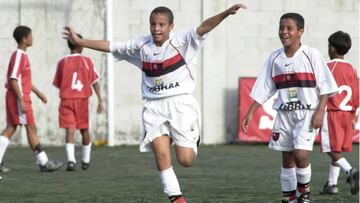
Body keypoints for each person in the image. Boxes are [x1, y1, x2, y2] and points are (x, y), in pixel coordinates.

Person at [63, 4, 246, 203]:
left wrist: (226, 13)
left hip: (181, 105)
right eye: (153, 24)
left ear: (170, 26)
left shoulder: (183, 41)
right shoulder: (141, 45)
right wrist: (80, 41)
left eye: (161, 24)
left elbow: (204, 27)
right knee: (160, 153)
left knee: (185, 160)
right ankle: (176, 197)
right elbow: (110, 46)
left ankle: (192, 138)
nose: (156, 28)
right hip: (154, 107)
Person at [241, 13, 338, 203]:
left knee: (301, 154)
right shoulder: (274, 58)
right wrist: (250, 112)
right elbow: (265, 87)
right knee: (287, 158)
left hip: (308, 113)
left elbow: (325, 86)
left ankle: (304, 196)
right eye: (281, 28)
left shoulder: (311, 55)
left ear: (300, 32)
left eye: (289, 28)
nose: (284, 32)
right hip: (284, 113)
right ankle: (289, 198)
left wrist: (319, 111)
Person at [0, 25, 63, 172]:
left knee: (16, 128)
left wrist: (37, 92)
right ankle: (44, 162)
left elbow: (22, 80)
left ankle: (43, 161)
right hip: (18, 97)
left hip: (19, 95)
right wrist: (21, 99)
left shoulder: (21, 55)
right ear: (24, 39)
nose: (32, 38)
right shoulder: (19, 55)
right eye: (30, 35)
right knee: (26, 128)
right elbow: (13, 79)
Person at [53, 33, 104, 171]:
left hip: (66, 99)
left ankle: (71, 161)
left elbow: (58, 83)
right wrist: (100, 99)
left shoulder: (62, 62)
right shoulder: (87, 61)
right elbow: (95, 81)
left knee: (70, 130)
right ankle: (86, 160)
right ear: (80, 44)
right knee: (84, 129)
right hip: (82, 100)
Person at [319, 31, 359, 195]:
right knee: (337, 149)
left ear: (332, 49)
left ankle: (351, 172)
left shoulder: (328, 66)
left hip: (332, 112)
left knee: (331, 149)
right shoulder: (352, 68)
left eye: (329, 46)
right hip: (348, 113)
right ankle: (331, 185)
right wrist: (354, 114)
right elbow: (357, 93)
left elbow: (320, 90)